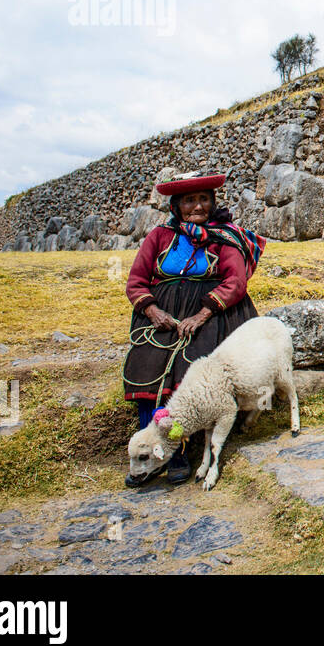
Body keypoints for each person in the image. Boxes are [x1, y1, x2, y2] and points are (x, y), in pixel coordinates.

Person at [121, 172, 265, 487]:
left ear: (213, 202)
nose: (197, 206)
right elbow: (136, 281)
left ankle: (178, 448)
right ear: (177, 205)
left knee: (191, 367)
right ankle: (151, 448)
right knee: (148, 364)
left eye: (203, 199)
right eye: (189, 200)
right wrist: (152, 310)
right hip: (164, 316)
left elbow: (235, 281)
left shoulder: (224, 236)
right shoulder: (159, 236)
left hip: (214, 312)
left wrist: (201, 315)